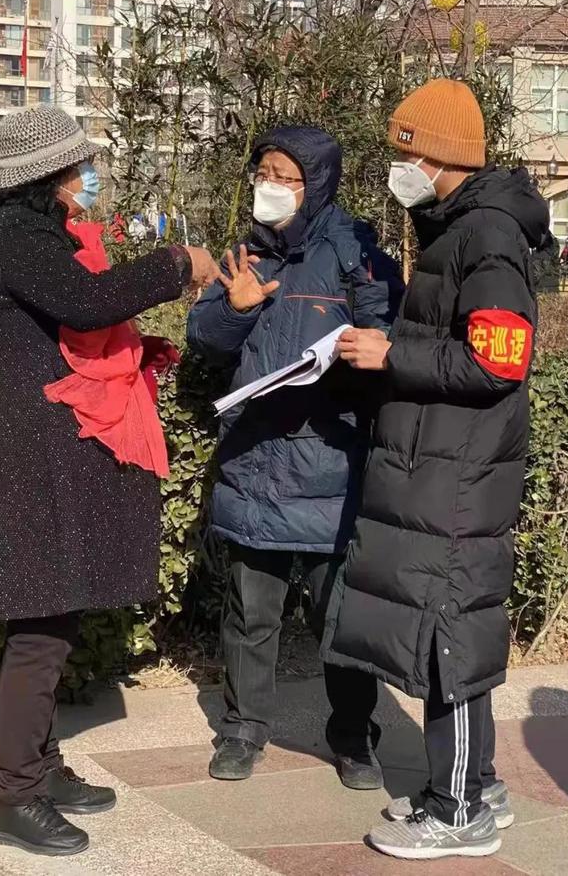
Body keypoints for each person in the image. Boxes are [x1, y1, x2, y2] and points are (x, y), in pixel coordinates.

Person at [0, 106, 219, 857]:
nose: (88, 176)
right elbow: (88, 303)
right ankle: (14, 796)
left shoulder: (31, 235)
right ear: (48, 173)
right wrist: (178, 264)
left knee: (54, 615)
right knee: (40, 629)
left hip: (44, 451)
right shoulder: (16, 236)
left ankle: (40, 769)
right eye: (79, 165)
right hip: (32, 459)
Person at [321, 79, 548, 861]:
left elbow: (498, 361)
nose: (398, 165)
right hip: (443, 459)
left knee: (445, 635)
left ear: (439, 154)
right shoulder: (455, 226)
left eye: (405, 150)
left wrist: (391, 353)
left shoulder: (484, 233)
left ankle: (456, 809)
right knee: (454, 625)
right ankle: (475, 785)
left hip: (458, 471)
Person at [187, 126, 402, 788]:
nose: (271, 186)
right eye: (264, 173)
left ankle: (353, 737)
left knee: (340, 618)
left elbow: (391, 339)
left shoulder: (356, 253)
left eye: (286, 176)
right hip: (254, 461)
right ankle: (243, 729)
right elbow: (204, 339)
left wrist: (359, 353)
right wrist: (236, 310)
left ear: (318, 184)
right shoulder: (246, 254)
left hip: (330, 466)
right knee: (250, 614)